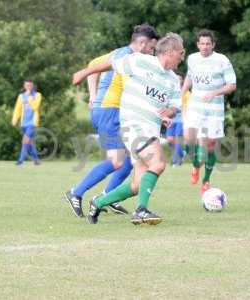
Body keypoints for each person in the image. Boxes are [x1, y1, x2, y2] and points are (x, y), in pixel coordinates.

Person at [72, 33, 185, 225]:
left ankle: (98, 202)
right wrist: (85, 72)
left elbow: (175, 107)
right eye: (181, 52)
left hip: (151, 128)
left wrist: (169, 112)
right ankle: (141, 211)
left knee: (137, 185)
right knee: (158, 164)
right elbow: (111, 63)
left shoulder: (173, 80)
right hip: (134, 124)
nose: (182, 57)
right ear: (170, 51)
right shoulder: (141, 61)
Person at [64, 24, 160, 218]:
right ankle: (76, 192)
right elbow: (130, 86)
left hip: (112, 110)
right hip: (111, 111)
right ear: (142, 43)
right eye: (151, 47)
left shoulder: (119, 52)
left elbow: (92, 65)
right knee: (117, 161)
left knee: (132, 160)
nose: (153, 52)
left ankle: (110, 195)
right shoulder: (127, 57)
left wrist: (93, 95)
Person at [181, 29, 236, 194]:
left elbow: (232, 85)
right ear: (198, 44)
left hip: (214, 111)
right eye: (202, 43)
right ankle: (196, 166)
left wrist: (214, 92)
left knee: (210, 147)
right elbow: (189, 77)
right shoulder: (192, 58)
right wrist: (182, 92)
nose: (205, 47)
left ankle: (206, 180)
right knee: (188, 142)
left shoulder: (222, 60)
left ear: (213, 45)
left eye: (208, 44)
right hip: (195, 108)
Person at [12, 79, 42, 165]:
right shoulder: (21, 96)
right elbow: (17, 109)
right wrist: (14, 119)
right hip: (23, 123)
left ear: (32, 86)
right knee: (29, 143)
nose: (29, 87)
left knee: (25, 140)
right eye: (27, 85)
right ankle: (36, 160)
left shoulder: (37, 95)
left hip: (32, 123)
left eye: (30, 85)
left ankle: (21, 160)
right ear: (24, 86)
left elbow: (35, 107)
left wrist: (30, 99)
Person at [166, 74, 189, 166]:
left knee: (178, 139)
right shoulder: (170, 91)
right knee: (170, 140)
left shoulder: (186, 93)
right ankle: (181, 153)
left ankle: (176, 161)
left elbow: (188, 106)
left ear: (181, 82)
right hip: (171, 119)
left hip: (182, 119)